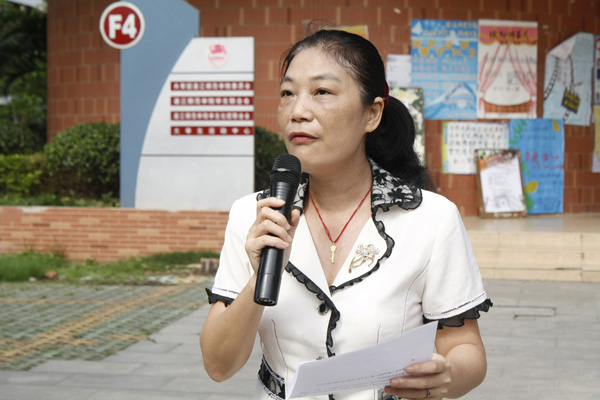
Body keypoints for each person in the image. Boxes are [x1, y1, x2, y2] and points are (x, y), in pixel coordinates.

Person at [200, 27, 492, 400]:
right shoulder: (254, 215)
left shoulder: (432, 218)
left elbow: (466, 349)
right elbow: (218, 365)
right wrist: (260, 278)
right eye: (288, 93)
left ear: (372, 113)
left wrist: (447, 376)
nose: (298, 112)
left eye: (321, 92)